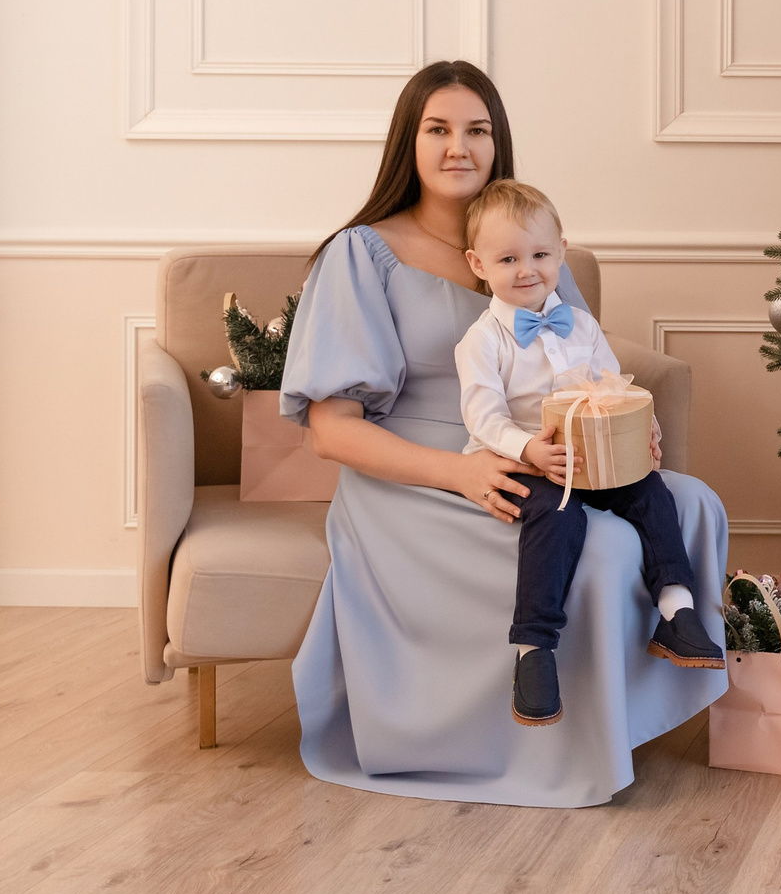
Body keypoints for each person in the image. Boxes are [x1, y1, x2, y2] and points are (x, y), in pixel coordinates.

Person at [281, 61, 728, 806]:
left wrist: (626, 430)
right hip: (423, 477)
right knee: (600, 542)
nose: (459, 146)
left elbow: (588, 368)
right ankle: (551, 739)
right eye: (439, 129)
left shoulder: (527, 244)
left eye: (477, 130)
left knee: (693, 503)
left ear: (498, 142)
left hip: (548, 454)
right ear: (409, 141)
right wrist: (462, 473)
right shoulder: (359, 254)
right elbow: (330, 431)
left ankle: (632, 710)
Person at [454, 178, 724, 729]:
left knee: (652, 491)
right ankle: (534, 649)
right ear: (478, 264)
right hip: (524, 461)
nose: (526, 269)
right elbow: (483, 418)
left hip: (593, 454)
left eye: (540, 255)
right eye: (508, 258)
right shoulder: (482, 341)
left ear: (560, 253)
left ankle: (676, 607)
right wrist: (529, 449)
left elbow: (613, 387)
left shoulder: (580, 324)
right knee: (558, 513)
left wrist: (640, 431)